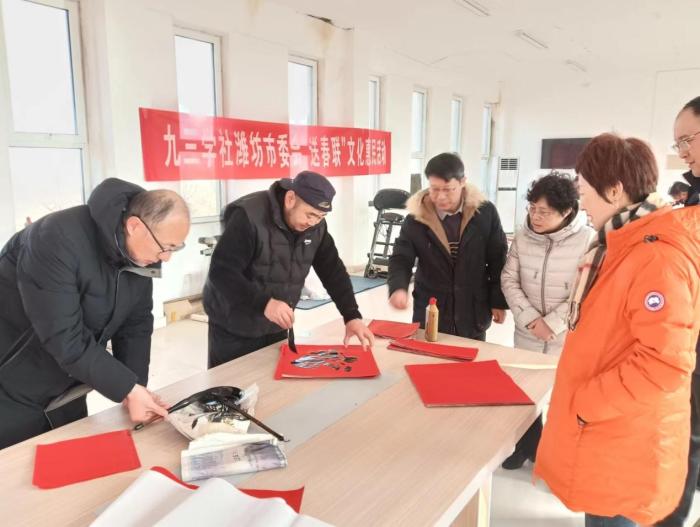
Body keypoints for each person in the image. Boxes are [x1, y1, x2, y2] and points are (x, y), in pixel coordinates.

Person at [533, 133, 700, 527]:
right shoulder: (621, 244)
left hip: (623, 439)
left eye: (584, 193)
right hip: (613, 434)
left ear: (614, 190)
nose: (581, 205)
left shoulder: (655, 257)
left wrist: (587, 404)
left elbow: (665, 364)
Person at [0, 178, 190, 449]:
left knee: (67, 456)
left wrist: (136, 388)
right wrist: (127, 389)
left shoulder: (139, 252)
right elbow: (65, 338)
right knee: (16, 465)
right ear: (134, 226)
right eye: (165, 246)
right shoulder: (54, 238)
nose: (166, 258)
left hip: (69, 383)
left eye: (175, 248)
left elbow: (135, 325)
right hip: (13, 384)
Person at [204, 171, 374, 368]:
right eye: (310, 215)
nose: (313, 222)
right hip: (233, 324)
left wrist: (352, 316)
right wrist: (265, 303)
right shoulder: (249, 216)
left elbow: (333, 271)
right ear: (290, 198)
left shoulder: (316, 227)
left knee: (272, 380)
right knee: (231, 382)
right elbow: (222, 273)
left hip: (276, 323)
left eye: (320, 216)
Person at [500, 172, 594, 470]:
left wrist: (552, 324)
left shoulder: (588, 240)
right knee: (524, 393)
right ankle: (527, 446)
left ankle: (558, 458)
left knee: (564, 399)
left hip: (565, 334)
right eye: (532, 208)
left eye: (545, 212)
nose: (536, 217)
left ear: (566, 212)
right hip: (526, 331)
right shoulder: (522, 236)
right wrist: (530, 320)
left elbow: (587, 289)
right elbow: (509, 279)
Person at [388, 152, 508, 340]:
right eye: (434, 189)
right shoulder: (417, 218)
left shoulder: (485, 213)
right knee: (429, 355)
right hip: (432, 307)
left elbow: (497, 259)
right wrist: (398, 287)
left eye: (448, 189)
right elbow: (401, 258)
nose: (440, 197)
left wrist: (498, 301)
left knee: (471, 356)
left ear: (462, 182)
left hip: (472, 309)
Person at [656, 97, 700, 527]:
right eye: (678, 143)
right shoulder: (691, 197)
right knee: (686, 438)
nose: (683, 152)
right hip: (688, 343)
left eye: (688, 140)